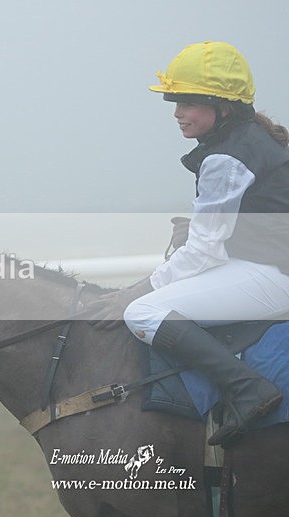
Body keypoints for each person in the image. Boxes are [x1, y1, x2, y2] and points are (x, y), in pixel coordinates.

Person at [87, 41, 289, 447]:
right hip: (269, 266)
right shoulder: (248, 139)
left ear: (223, 107)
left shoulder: (226, 157)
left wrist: (135, 290)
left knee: (143, 312)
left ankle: (249, 391)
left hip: (274, 277)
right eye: (174, 102)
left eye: (189, 103)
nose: (178, 113)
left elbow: (203, 253)